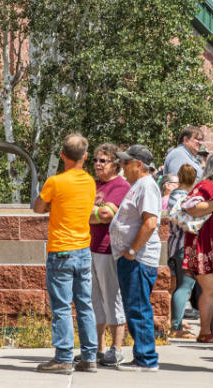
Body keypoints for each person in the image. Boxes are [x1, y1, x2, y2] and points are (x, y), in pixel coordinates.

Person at [32, 134, 97, 374]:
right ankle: (89, 357)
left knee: (61, 307)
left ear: (62, 155)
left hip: (61, 250)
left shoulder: (55, 182)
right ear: (85, 156)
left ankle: (63, 357)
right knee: (85, 305)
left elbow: (38, 207)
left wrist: (52, 205)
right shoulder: (90, 182)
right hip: (83, 249)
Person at [109, 145, 163, 371]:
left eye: (126, 162)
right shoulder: (139, 185)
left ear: (139, 165)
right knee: (134, 307)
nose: (122, 166)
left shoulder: (147, 186)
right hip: (132, 259)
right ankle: (142, 355)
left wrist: (131, 251)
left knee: (138, 308)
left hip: (138, 259)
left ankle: (146, 358)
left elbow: (150, 222)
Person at [88, 143, 131, 366]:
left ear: (115, 164)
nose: (97, 164)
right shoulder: (92, 184)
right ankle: (97, 348)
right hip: (89, 247)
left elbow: (106, 215)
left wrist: (88, 213)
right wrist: (93, 214)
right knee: (93, 299)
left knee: (111, 297)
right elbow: (95, 212)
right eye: (95, 160)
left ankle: (116, 347)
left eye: (103, 161)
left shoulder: (120, 186)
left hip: (107, 248)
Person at [181, 152, 213, 343]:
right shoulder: (205, 186)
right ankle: (205, 332)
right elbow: (191, 207)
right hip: (206, 243)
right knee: (211, 290)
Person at [167, 164, 198, 338]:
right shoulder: (188, 198)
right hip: (184, 245)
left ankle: (175, 322)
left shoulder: (173, 195)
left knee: (176, 286)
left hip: (173, 244)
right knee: (185, 286)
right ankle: (176, 327)